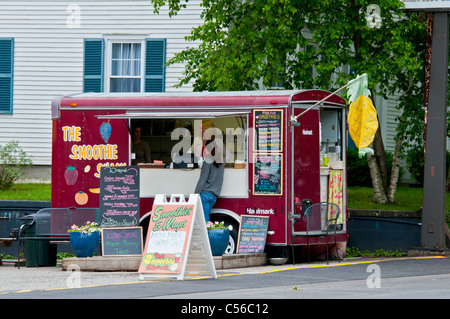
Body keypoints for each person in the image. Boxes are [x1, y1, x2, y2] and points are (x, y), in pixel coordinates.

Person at [194, 140, 225, 221]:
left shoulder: (207, 161)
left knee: (204, 220)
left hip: (205, 195)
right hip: (214, 196)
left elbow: (202, 180)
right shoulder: (221, 162)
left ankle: (207, 234)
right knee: (205, 218)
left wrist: (195, 195)